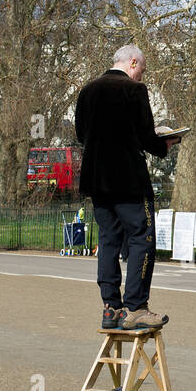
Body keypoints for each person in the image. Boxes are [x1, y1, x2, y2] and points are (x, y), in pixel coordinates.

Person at [76, 44, 180, 332]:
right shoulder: (134, 91)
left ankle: (110, 307)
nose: (141, 76)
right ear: (133, 62)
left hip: (98, 180)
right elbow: (147, 137)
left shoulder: (87, 91)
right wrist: (165, 143)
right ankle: (136, 306)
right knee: (142, 239)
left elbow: (82, 134)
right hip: (129, 180)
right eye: (142, 70)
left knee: (109, 240)